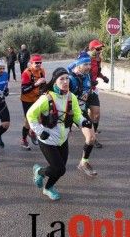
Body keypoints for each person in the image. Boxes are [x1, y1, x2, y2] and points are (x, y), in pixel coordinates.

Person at [27, 67, 95, 200]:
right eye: (61, 79)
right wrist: (40, 132)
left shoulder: (71, 97)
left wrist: (83, 122)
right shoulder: (46, 98)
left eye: (67, 78)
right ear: (55, 82)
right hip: (47, 140)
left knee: (59, 169)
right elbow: (31, 115)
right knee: (59, 169)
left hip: (63, 139)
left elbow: (76, 115)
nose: (65, 81)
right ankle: (39, 171)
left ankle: (47, 188)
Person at [68, 52, 98, 176]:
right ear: (78, 65)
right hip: (73, 113)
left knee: (91, 139)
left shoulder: (86, 75)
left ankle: (83, 163)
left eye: (89, 64)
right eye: (85, 64)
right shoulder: (70, 79)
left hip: (82, 111)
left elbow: (87, 90)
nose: (88, 67)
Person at [86, 39, 110, 148]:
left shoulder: (98, 59)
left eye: (101, 48)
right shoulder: (85, 59)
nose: (100, 50)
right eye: (98, 48)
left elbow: (97, 72)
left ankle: (93, 137)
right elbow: (77, 72)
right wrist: (88, 81)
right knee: (78, 115)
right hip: (82, 90)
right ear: (91, 49)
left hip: (93, 90)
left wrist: (103, 77)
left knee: (96, 114)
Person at [20, 54, 46, 150]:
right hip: (27, 99)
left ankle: (32, 132)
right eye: (36, 63)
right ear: (31, 63)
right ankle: (23, 139)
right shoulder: (26, 73)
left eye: (40, 63)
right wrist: (36, 84)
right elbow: (24, 90)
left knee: (40, 119)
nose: (38, 65)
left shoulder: (42, 71)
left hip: (37, 99)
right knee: (28, 121)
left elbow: (43, 86)